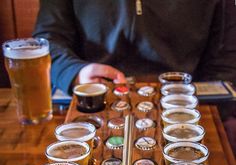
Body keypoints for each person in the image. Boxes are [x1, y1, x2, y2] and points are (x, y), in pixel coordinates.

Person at [33, 0, 236, 95]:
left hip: (185, 101)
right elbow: (48, 41)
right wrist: (75, 73)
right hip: (92, 97)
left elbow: (225, 60)